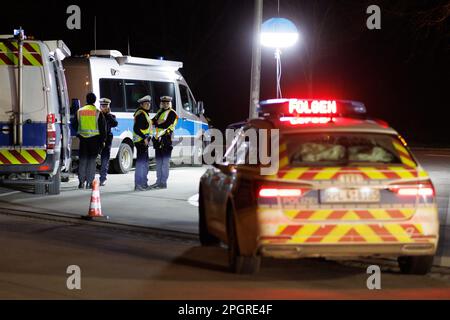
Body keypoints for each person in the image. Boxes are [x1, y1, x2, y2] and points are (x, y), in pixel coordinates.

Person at [74, 93, 106, 189]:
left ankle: (81, 182)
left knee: (83, 160)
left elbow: (74, 124)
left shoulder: (80, 111)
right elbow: (102, 128)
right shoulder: (97, 112)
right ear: (94, 100)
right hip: (94, 140)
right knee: (92, 161)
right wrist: (102, 141)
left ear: (86, 100)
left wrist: (79, 133)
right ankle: (89, 182)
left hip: (83, 140)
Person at [149, 96, 178, 189]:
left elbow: (166, 124)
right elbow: (152, 121)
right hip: (158, 140)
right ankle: (158, 182)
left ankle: (163, 183)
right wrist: (159, 122)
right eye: (163, 103)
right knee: (159, 162)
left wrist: (157, 123)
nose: (165, 104)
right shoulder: (160, 112)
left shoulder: (172, 113)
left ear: (170, 103)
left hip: (166, 140)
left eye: (167, 103)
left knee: (165, 163)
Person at [133, 95, 152, 191]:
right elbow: (136, 129)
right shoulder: (141, 114)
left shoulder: (144, 113)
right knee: (141, 164)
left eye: (149, 103)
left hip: (143, 142)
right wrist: (145, 138)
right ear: (141, 104)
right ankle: (138, 185)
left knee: (144, 164)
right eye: (146, 103)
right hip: (141, 142)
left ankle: (144, 183)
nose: (148, 105)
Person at [99, 98, 118, 186]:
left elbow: (115, 123)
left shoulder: (111, 116)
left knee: (105, 160)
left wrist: (108, 114)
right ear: (100, 106)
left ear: (109, 107)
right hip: (97, 140)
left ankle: (102, 179)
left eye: (106, 106)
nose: (104, 108)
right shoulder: (97, 115)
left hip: (107, 141)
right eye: (103, 106)